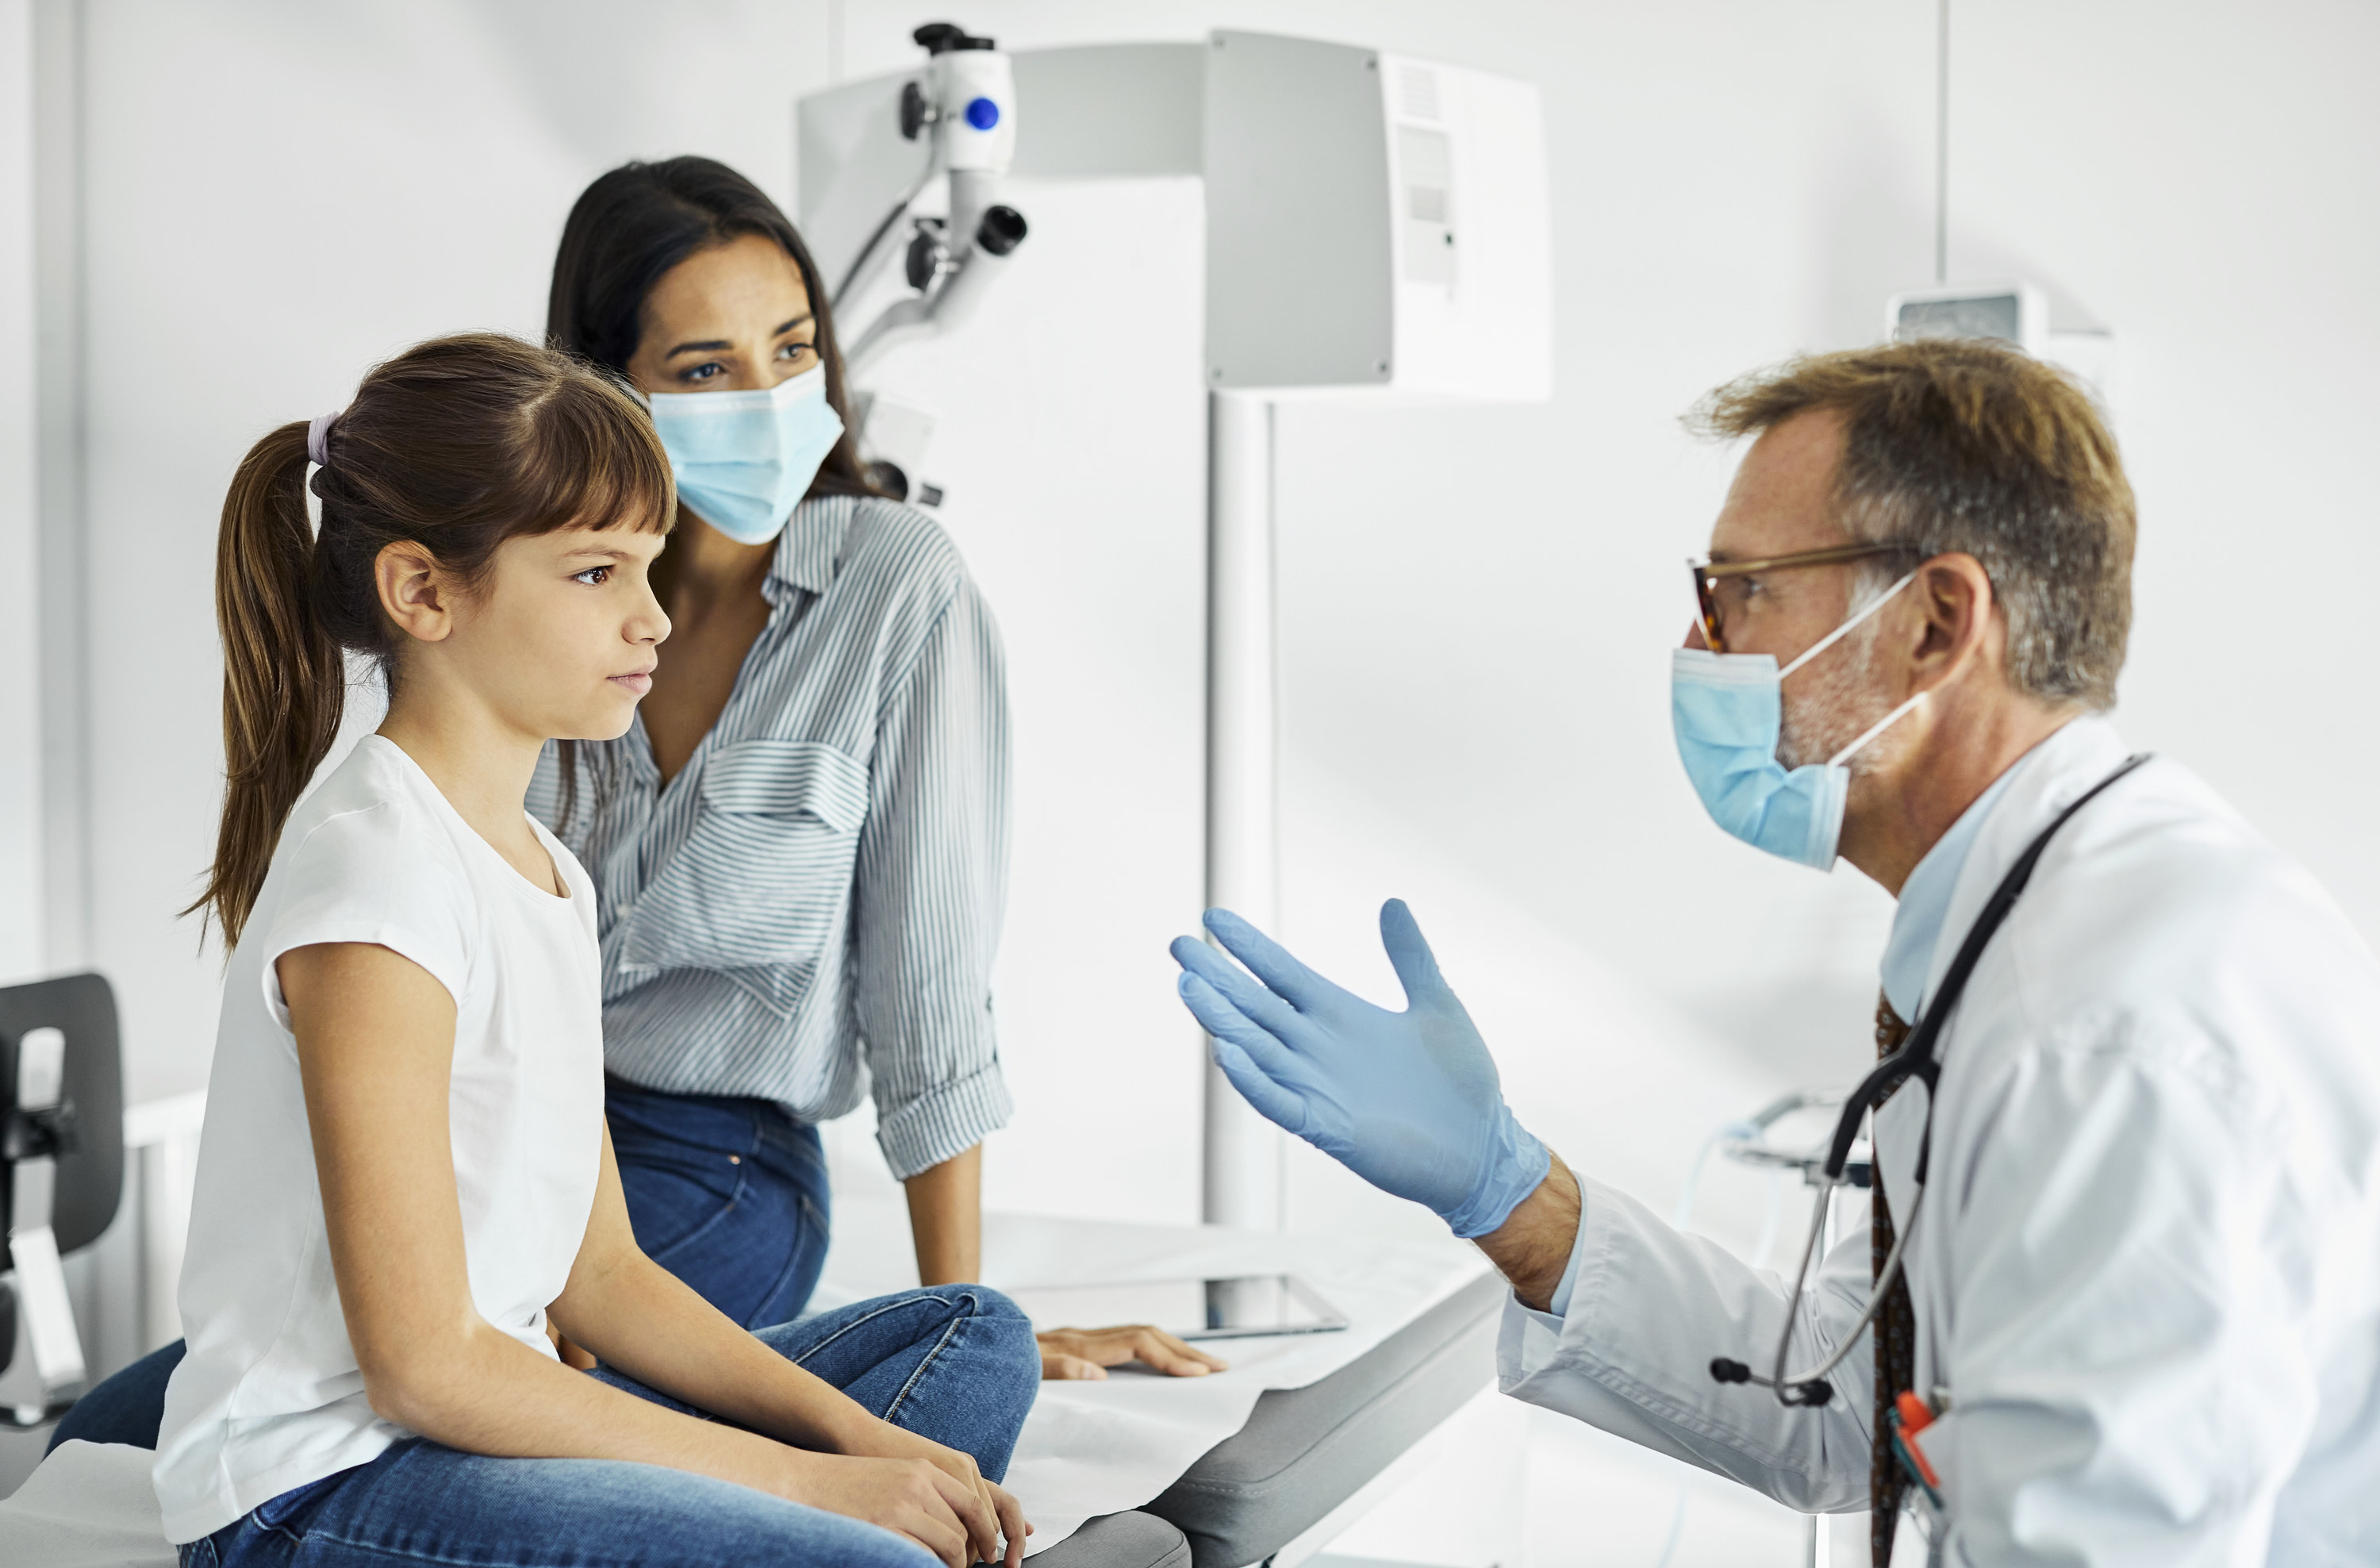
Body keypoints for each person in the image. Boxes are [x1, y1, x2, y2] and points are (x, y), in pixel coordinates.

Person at [1170, 340, 2380, 1565]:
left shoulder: (2110, 1023)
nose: (1704, 645)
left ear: (1936, 623)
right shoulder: (2026, 935)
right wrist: (1510, 1196)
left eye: (1743, 588)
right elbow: (1850, 1397)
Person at [149, 332, 1038, 1568]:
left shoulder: (546, 871)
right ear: (424, 593)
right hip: (322, 1489)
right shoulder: (379, 877)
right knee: (865, 1558)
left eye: (650, 564)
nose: (654, 616)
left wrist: (857, 1450)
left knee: (975, 1343)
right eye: (594, 573)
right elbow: (420, 1368)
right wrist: (810, 1492)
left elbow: (603, 1274)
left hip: (469, 1422)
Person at [536, 156, 1219, 1381]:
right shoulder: (540, 591)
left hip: (720, 1170)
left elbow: (932, 994)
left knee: (448, 1425)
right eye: (705, 369)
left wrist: (958, 1335)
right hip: (509, 1143)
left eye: (791, 351)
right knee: (139, 1429)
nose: (767, 394)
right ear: (604, 387)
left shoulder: (896, 585)